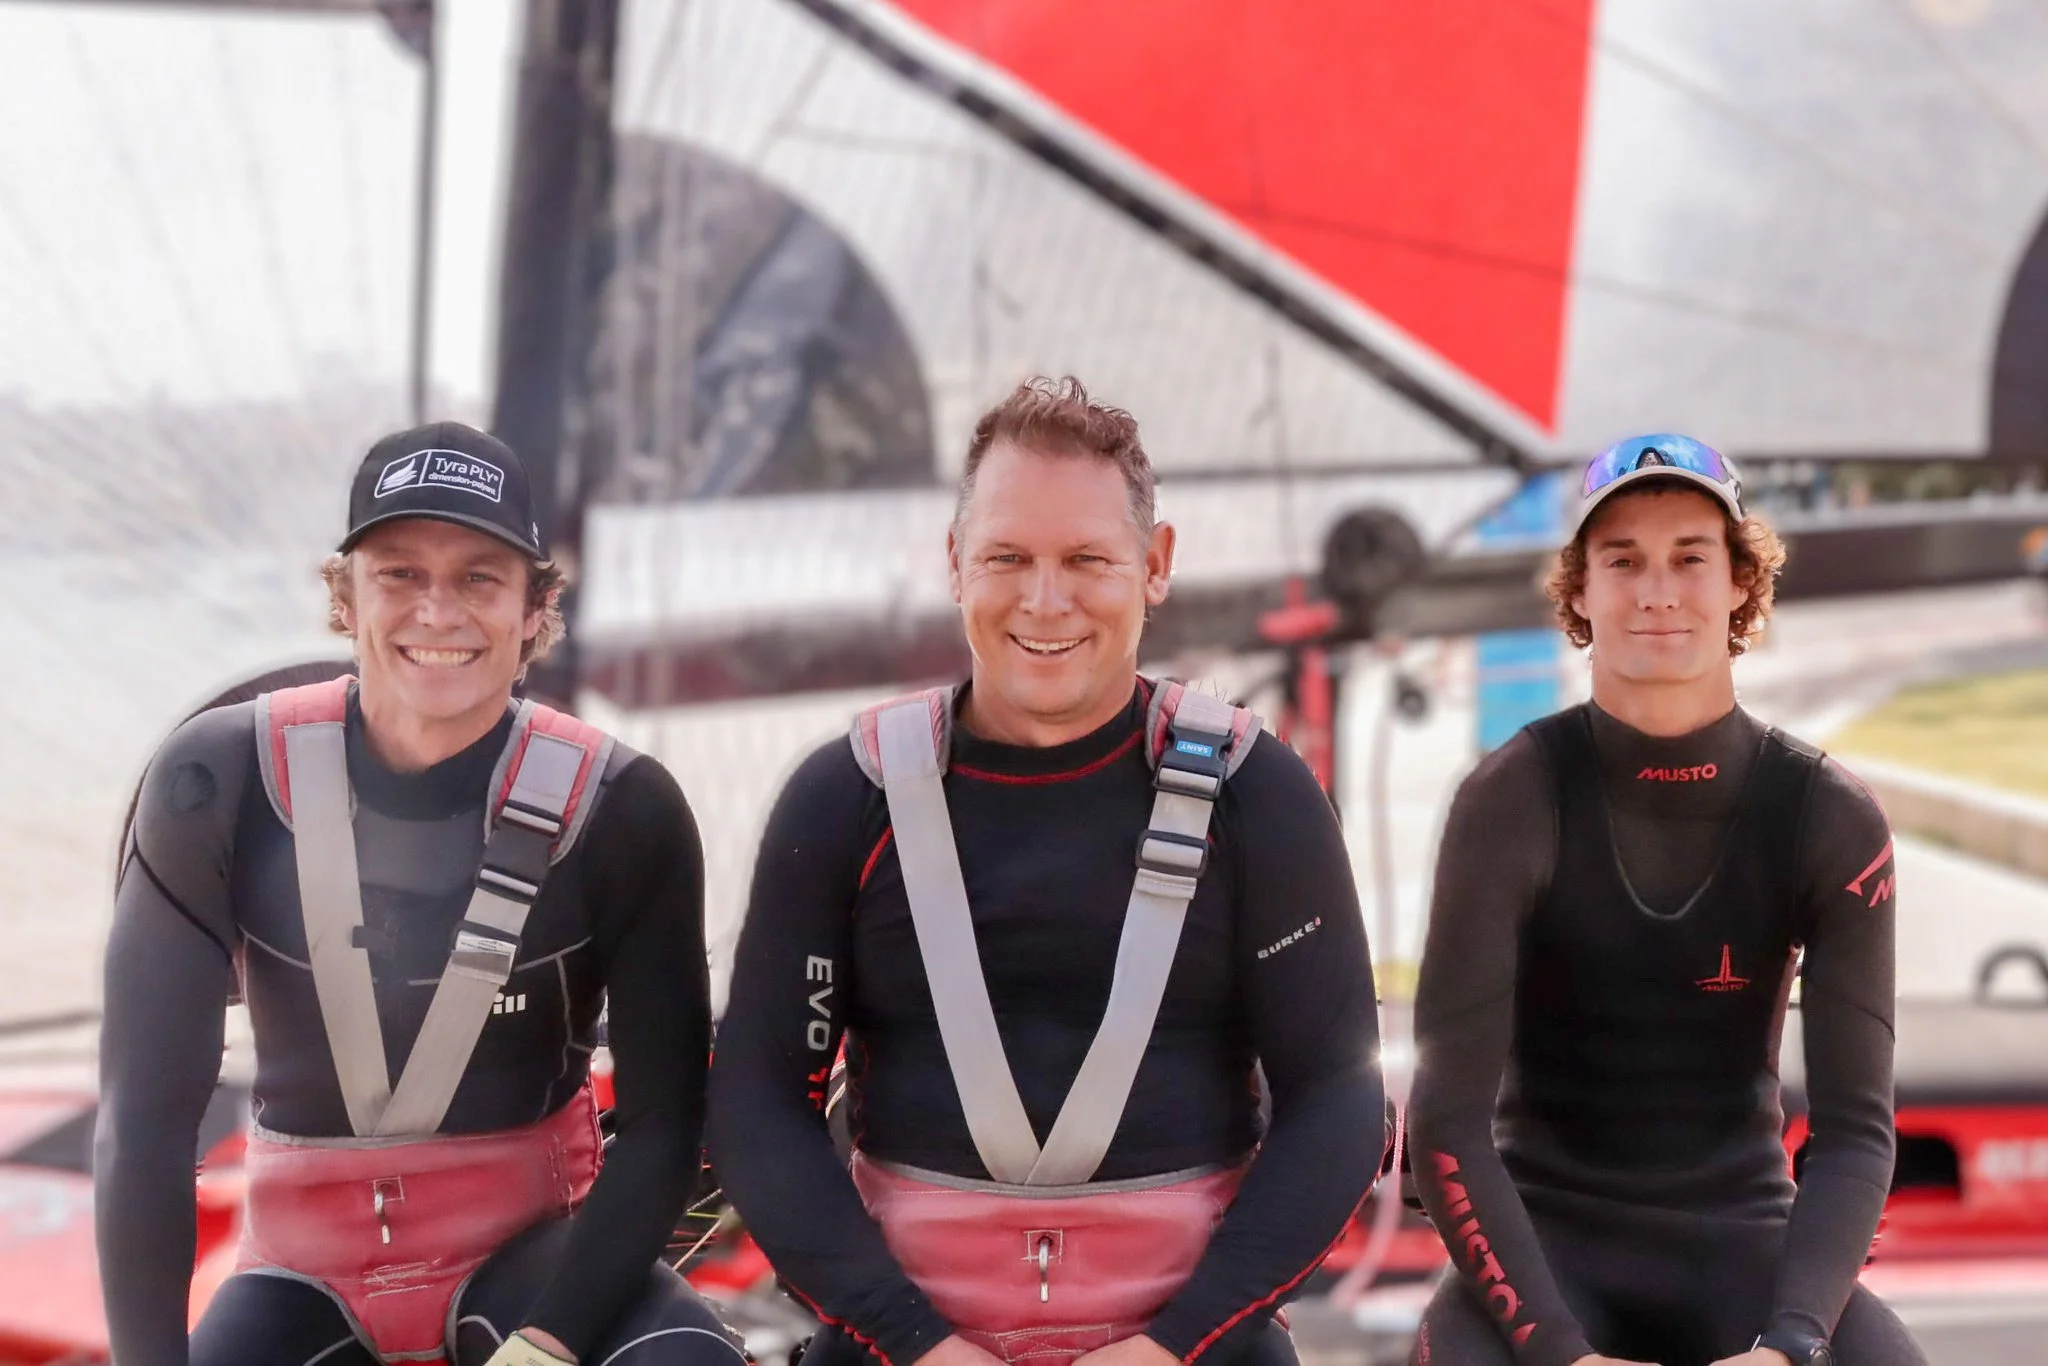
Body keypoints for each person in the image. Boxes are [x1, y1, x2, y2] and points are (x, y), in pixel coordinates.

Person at [708, 377, 1386, 1366]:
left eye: (1085, 560)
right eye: (1006, 558)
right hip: (902, 1341)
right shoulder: (842, 798)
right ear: (953, 562)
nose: (1043, 599)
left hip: (1192, 1345)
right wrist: (917, 1341)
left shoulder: (1257, 793)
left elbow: (1335, 1095)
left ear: (1154, 565)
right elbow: (761, 1097)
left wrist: (1170, 1345)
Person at [95, 423, 744, 1366]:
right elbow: (145, 1124)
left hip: (535, 1257)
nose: (438, 612)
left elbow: (663, 1126)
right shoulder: (216, 782)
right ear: (343, 597)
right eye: (399, 573)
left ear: (535, 609)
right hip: (300, 1279)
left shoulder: (621, 807)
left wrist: (552, 1345)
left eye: (480, 577)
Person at [1406, 436, 1924, 1366]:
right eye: (1622, 561)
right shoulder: (1511, 798)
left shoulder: (1827, 816)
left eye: (1690, 556)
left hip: (1746, 1244)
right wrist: (1562, 1353)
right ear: (1580, 593)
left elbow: (1855, 1136)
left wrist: (1792, 1343)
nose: (1656, 590)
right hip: (1547, 1249)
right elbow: (1445, 1126)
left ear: (1739, 584)